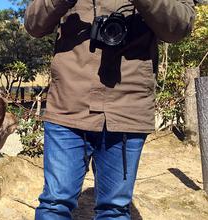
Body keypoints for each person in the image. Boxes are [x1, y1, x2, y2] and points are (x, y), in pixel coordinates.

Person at [24, 0, 196, 219]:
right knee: (54, 204)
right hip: (68, 104)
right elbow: (33, 24)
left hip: (127, 107)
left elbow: (180, 27)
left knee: (114, 210)